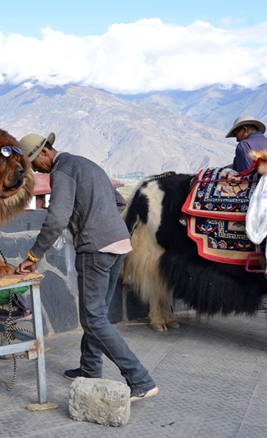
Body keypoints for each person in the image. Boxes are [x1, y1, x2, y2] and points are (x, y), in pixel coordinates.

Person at [15, 132, 159, 402]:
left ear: (45, 152)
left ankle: (140, 379)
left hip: (96, 250)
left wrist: (33, 256)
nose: (36, 169)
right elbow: (119, 203)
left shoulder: (63, 171)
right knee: (99, 314)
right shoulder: (87, 164)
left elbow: (57, 217)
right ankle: (90, 368)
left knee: (92, 319)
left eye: (35, 163)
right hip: (118, 243)